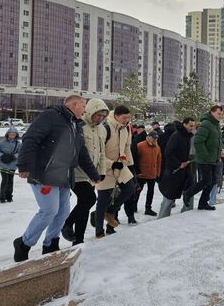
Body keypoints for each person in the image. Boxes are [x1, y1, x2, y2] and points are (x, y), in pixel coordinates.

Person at [13, 95, 101, 262]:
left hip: (64, 176)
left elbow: (81, 153)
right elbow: (31, 139)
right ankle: (24, 243)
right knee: (49, 211)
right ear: (74, 105)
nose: (85, 110)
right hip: (45, 174)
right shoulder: (51, 116)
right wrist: (24, 165)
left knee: (62, 213)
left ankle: (51, 244)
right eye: (84, 106)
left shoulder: (76, 125)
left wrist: (93, 174)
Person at [61, 98, 109, 245]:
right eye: (97, 115)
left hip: (91, 175)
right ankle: (67, 224)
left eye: (103, 116)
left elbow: (101, 153)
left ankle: (78, 239)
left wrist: (101, 172)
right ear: (90, 112)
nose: (100, 118)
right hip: (78, 173)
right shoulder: (79, 125)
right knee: (89, 200)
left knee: (85, 206)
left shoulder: (102, 129)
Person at [94, 105, 137, 238]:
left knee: (130, 188)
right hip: (104, 167)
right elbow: (97, 153)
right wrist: (111, 164)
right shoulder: (105, 128)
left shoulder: (126, 128)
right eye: (124, 118)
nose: (127, 120)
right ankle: (100, 231)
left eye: (129, 117)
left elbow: (127, 147)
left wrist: (130, 165)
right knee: (104, 199)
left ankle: (110, 212)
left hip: (120, 165)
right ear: (116, 116)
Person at [183, 105, 223, 211]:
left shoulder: (216, 125)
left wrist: (221, 151)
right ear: (212, 112)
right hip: (204, 159)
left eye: (221, 114)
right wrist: (205, 155)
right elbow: (198, 142)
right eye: (218, 113)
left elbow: (216, 141)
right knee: (206, 180)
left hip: (213, 159)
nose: (220, 116)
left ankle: (202, 203)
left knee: (213, 180)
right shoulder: (206, 124)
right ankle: (187, 193)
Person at [158, 117, 196, 219]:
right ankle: (162, 218)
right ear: (184, 124)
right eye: (190, 126)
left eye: (194, 126)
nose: (192, 128)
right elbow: (168, 153)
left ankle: (187, 214)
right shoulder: (177, 136)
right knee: (169, 196)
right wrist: (179, 164)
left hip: (186, 170)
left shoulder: (188, 136)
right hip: (174, 171)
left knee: (190, 190)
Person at [135, 131, 162, 216]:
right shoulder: (140, 145)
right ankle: (133, 206)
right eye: (154, 137)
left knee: (151, 191)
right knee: (137, 191)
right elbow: (136, 159)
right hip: (141, 174)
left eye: (156, 138)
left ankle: (148, 208)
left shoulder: (157, 147)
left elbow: (159, 161)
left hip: (152, 173)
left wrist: (158, 172)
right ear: (149, 137)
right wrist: (136, 172)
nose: (155, 139)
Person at [0, 127, 21, 202]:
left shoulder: (18, 144)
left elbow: (21, 152)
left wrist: (14, 156)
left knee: (10, 181)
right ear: (7, 134)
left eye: (13, 134)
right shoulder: (2, 142)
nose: (12, 136)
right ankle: (2, 197)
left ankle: (9, 196)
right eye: (10, 134)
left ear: (16, 135)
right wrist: (2, 156)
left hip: (13, 164)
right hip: (3, 164)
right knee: (5, 180)